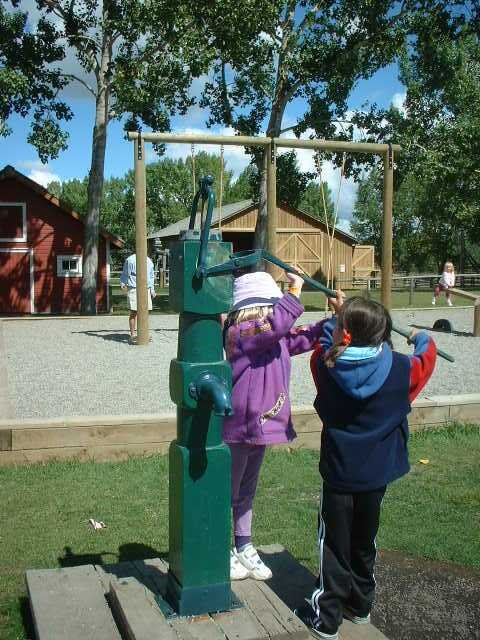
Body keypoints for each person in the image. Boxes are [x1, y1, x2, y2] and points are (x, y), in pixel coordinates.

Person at [295, 296, 437, 640]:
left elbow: (327, 338)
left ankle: (326, 618)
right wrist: (421, 337)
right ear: (384, 333)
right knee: (364, 541)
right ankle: (359, 606)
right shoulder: (403, 369)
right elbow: (427, 360)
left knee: (333, 545)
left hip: (339, 473)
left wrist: (337, 316)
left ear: (345, 331)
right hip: (377, 475)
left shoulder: (324, 364)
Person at [223, 268, 340, 582]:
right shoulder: (241, 333)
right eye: (271, 306)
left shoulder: (272, 336)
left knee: (247, 491)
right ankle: (220, 548)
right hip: (240, 425)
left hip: (261, 426)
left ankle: (243, 543)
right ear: (254, 309)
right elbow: (276, 325)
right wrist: (294, 291)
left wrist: (337, 318)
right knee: (227, 492)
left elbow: (304, 336)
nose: (275, 312)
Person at [120, 253, 156, 344]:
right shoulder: (130, 260)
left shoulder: (149, 261)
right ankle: (132, 334)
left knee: (145, 312)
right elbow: (125, 273)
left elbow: (151, 277)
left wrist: (152, 290)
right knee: (134, 312)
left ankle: (144, 333)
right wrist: (123, 284)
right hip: (134, 288)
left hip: (146, 288)